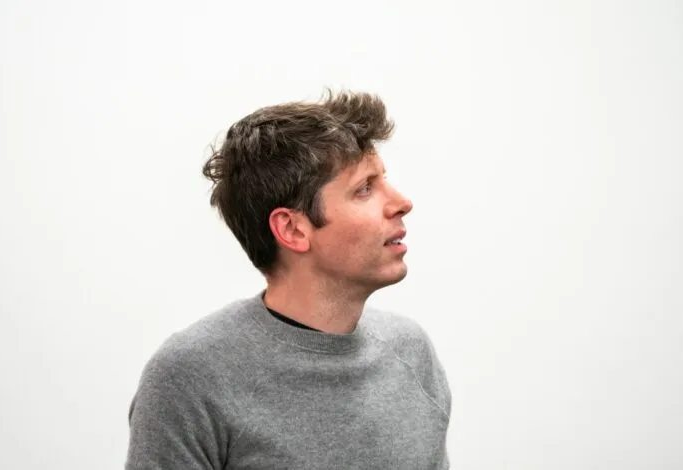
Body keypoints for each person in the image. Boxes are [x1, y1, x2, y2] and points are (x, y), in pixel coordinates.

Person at [125, 90, 451, 469]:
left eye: (385, 181)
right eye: (364, 188)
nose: (401, 202)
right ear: (293, 229)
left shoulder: (411, 353)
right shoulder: (189, 380)